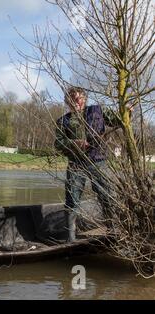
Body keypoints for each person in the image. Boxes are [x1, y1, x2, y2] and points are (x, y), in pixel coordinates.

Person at [55, 86, 121, 242]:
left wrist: (128, 112)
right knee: (72, 199)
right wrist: (73, 143)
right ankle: (70, 238)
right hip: (75, 164)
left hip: (98, 161)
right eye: (72, 99)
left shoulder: (98, 111)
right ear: (67, 102)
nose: (76, 101)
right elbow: (58, 144)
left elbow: (118, 120)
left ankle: (113, 232)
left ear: (84, 99)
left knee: (107, 195)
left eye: (78, 98)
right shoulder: (62, 121)